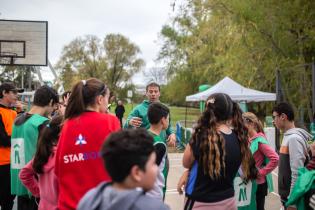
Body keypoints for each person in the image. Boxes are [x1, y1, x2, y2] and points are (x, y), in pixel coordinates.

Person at [55, 78, 120, 210]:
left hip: (69, 204)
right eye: (107, 98)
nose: (108, 102)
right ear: (100, 99)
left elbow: (58, 169)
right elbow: (122, 164)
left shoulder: (67, 124)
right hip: (102, 204)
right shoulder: (111, 121)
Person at [181, 93, 254, 210]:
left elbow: (186, 162)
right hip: (228, 201)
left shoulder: (202, 136)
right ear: (230, 112)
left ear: (207, 111)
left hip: (201, 202)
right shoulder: (238, 137)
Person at [77, 129, 170, 210]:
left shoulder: (88, 200)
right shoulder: (156, 208)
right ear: (136, 173)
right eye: (153, 164)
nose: (157, 169)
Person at [10, 85, 59, 210]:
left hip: (20, 180)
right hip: (36, 184)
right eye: (54, 106)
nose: (54, 110)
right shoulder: (42, 123)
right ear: (50, 102)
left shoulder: (17, 120)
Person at [273, 102, 312, 210]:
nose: (273, 121)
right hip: (287, 199)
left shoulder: (294, 139)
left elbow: (297, 173)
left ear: (283, 117)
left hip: (292, 200)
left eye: (274, 117)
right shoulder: (288, 137)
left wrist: (292, 201)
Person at [19, 115, 63, 210]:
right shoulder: (63, 157)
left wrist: (39, 192)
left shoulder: (43, 153)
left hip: (44, 205)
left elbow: (24, 174)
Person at [242, 112, 279, 210]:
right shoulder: (249, 139)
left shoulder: (259, 141)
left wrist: (261, 172)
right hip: (251, 182)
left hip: (259, 184)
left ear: (252, 124)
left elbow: (275, 158)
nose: (241, 127)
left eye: (243, 124)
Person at [123, 82, 176, 146]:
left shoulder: (164, 108)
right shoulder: (138, 109)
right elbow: (125, 126)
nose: (153, 94)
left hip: (161, 144)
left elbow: (168, 125)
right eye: (150, 91)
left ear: (159, 93)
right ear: (146, 93)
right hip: (144, 145)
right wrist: (129, 122)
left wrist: (172, 133)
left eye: (156, 91)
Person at [0, 82, 23, 210]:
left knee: (9, 200)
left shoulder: (14, 113)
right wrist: (18, 139)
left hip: (14, 162)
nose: (17, 95)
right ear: (4, 93)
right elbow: (2, 139)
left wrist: (21, 113)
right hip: (2, 163)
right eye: (14, 92)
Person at [146, 102, 170, 200]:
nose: (168, 121)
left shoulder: (143, 135)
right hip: (154, 193)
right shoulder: (159, 145)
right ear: (163, 120)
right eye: (168, 118)